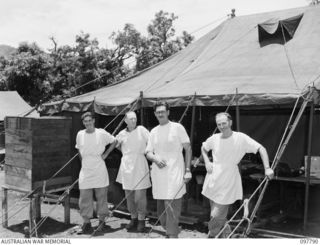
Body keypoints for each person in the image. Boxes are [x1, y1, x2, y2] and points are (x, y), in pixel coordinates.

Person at [201, 112, 274, 238]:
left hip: (228, 179)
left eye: (224, 123)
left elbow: (261, 148)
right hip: (212, 179)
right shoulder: (214, 138)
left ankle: (212, 236)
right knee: (217, 215)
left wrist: (267, 168)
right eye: (219, 124)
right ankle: (226, 235)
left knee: (215, 215)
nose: (222, 126)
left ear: (230, 122)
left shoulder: (241, 138)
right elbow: (204, 148)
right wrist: (207, 162)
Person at [145, 101, 192, 238]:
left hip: (175, 172)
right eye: (158, 112)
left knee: (172, 204)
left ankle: (172, 235)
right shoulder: (153, 131)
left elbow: (188, 148)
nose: (160, 114)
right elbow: (148, 152)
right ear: (155, 114)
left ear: (168, 112)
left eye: (163, 111)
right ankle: (170, 228)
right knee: (162, 210)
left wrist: (188, 170)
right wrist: (155, 159)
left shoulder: (177, 127)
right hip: (159, 175)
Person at [103, 111, 151, 232]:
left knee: (140, 196)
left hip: (140, 163)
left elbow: (152, 143)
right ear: (125, 121)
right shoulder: (122, 133)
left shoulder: (142, 130)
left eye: (135, 119)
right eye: (131, 119)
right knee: (129, 196)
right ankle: (133, 218)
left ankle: (141, 220)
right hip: (126, 165)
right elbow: (116, 144)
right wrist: (123, 152)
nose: (134, 121)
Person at [75, 112, 117, 234]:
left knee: (101, 197)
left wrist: (106, 154)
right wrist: (83, 162)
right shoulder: (80, 134)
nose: (88, 123)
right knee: (84, 197)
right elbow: (78, 149)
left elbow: (114, 141)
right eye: (85, 121)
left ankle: (102, 221)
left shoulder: (101, 133)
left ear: (93, 120)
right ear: (83, 122)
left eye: (89, 120)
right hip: (86, 169)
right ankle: (87, 223)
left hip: (99, 167)